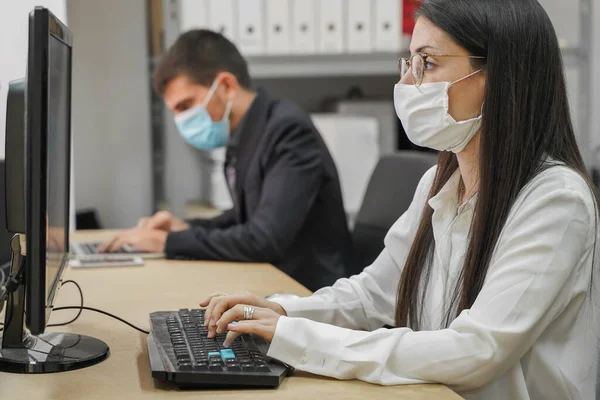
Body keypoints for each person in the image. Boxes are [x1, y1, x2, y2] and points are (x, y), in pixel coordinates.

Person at [197, 1, 600, 398]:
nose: (407, 85)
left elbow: (476, 353)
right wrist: (282, 312)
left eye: (427, 63)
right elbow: (374, 295)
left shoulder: (556, 202)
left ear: (498, 76)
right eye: (408, 63)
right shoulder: (437, 183)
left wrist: (299, 339)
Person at [99, 30, 352, 291]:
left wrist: (167, 243)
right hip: (273, 281)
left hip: (309, 293)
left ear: (227, 86)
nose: (181, 121)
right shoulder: (247, 131)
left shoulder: (288, 131)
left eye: (186, 106)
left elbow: (264, 238)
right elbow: (247, 215)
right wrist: (183, 228)